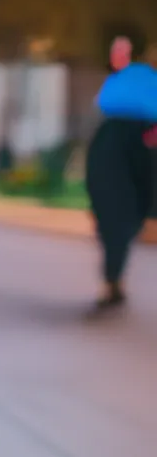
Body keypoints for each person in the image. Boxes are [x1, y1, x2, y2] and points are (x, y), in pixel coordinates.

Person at [84, 57, 157, 314]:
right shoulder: (146, 124)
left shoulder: (107, 128)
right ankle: (112, 281)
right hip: (132, 173)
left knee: (113, 229)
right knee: (121, 229)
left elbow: (95, 172)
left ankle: (112, 281)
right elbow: (148, 173)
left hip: (109, 178)